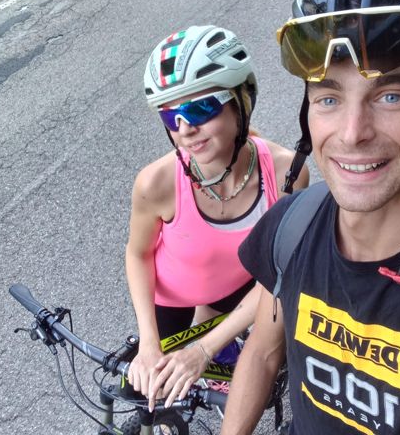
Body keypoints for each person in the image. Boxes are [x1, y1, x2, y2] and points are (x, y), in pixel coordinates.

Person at [221, 0, 400, 434]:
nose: (351, 133)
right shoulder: (290, 226)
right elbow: (262, 351)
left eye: (391, 96)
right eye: (329, 98)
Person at [125, 25, 309, 410]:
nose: (185, 129)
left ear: (242, 100)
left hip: (239, 287)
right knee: (151, 401)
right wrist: (148, 344)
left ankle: (220, 340)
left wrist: (204, 349)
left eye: (201, 108)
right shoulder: (156, 183)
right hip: (172, 299)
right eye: (170, 115)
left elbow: (277, 274)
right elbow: (139, 255)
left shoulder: (286, 174)